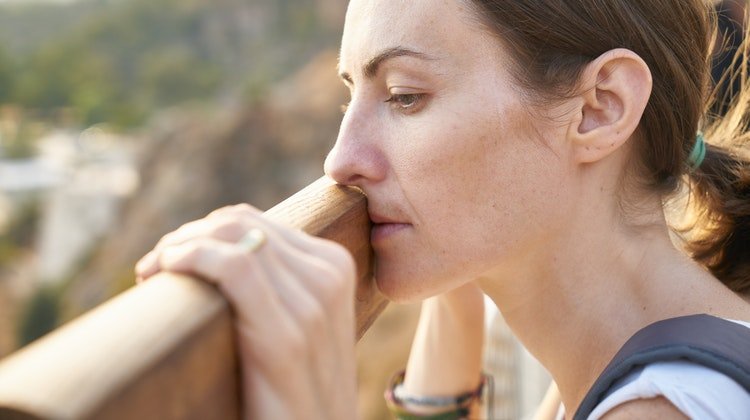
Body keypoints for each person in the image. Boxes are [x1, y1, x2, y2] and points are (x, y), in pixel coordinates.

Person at [135, 0, 750, 418]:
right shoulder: (635, 362)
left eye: (405, 96)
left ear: (600, 108)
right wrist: (453, 285)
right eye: (349, 98)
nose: (339, 160)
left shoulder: (664, 408)